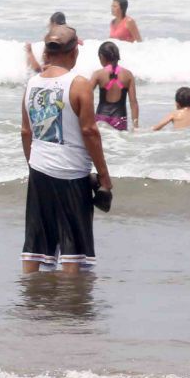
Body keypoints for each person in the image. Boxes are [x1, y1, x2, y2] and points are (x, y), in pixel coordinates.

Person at [20, 26, 112, 273]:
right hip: (71, 172)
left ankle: (29, 292)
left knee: (35, 240)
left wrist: (34, 164)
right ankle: (70, 302)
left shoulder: (32, 84)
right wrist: (104, 175)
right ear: (73, 52)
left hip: (39, 171)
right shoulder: (79, 84)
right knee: (73, 245)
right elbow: (90, 132)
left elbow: (26, 132)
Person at [88, 42, 138, 131]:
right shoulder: (128, 75)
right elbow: (133, 103)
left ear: (101, 57)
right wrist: (135, 126)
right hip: (120, 120)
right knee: (118, 144)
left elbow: (85, 95)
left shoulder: (98, 74)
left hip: (101, 119)